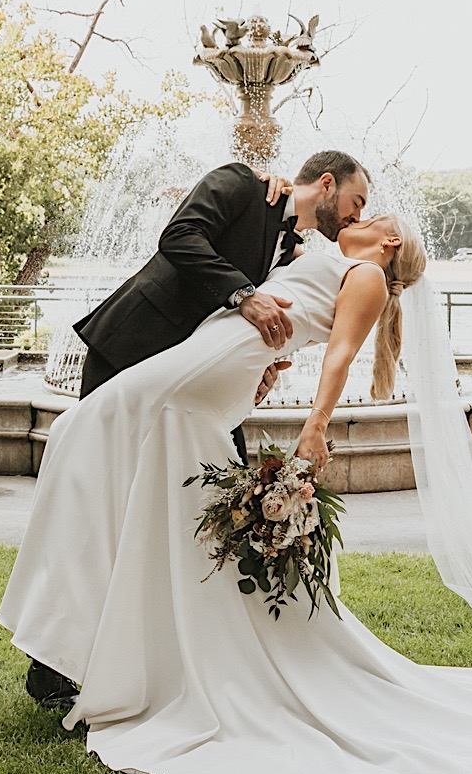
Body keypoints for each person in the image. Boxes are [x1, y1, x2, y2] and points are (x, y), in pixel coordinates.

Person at [0, 216, 472, 774]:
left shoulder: (368, 277)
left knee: (85, 427)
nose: (364, 216)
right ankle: (111, 648)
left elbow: (338, 357)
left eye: (377, 218)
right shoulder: (335, 258)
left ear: (389, 247)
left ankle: (77, 637)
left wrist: (313, 434)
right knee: (121, 461)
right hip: (222, 362)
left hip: (207, 374)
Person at [24, 150, 371, 710]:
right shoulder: (240, 183)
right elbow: (179, 237)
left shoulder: (291, 247)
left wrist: (258, 369)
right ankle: (52, 665)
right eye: (356, 202)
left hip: (195, 395)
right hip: (132, 356)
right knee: (102, 504)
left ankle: (200, 658)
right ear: (327, 184)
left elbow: (244, 329)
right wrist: (244, 295)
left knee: (217, 514)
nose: (357, 217)